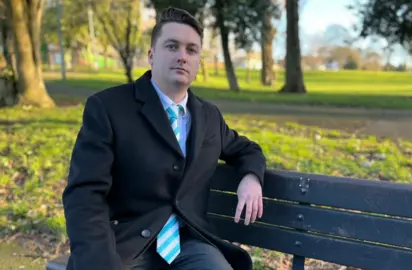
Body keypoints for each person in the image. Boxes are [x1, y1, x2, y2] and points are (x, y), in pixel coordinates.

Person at [62, 7, 266, 270]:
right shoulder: (108, 108)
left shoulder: (209, 116)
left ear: (198, 63)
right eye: (172, 46)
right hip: (126, 244)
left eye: (191, 50)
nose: (182, 56)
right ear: (151, 55)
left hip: (190, 244)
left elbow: (246, 149)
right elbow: (84, 195)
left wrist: (251, 178)